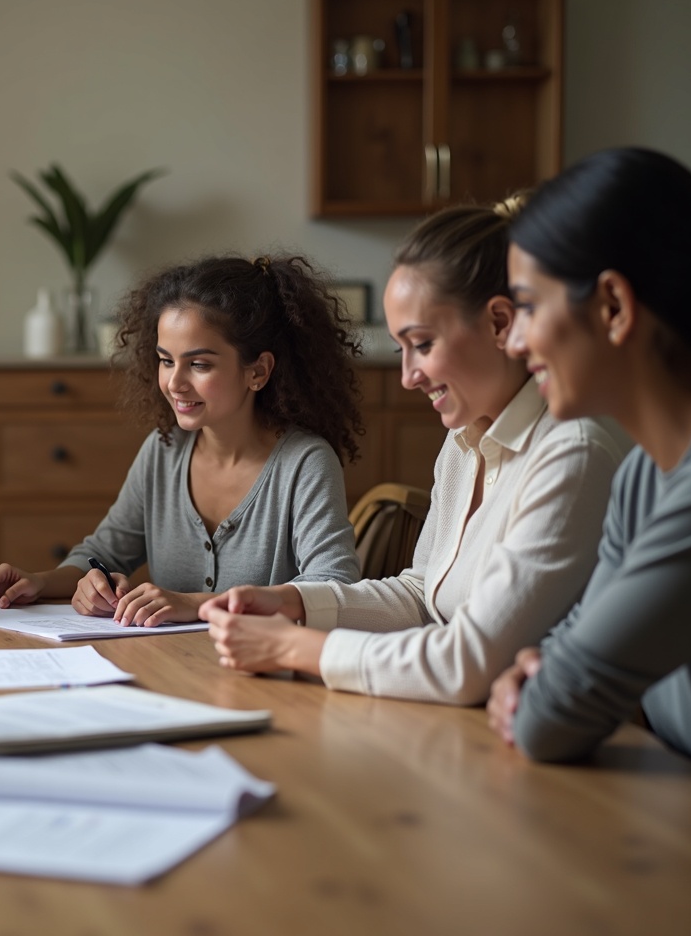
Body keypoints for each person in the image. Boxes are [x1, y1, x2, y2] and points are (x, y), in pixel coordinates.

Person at [200, 202, 630, 705]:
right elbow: (423, 595)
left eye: (422, 344)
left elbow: (470, 664)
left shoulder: (572, 454)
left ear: (499, 323)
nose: (407, 376)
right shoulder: (464, 440)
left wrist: (297, 648)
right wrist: (292, 600)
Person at [487, 148, 691, 787]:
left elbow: (553, 714)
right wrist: (538, 679)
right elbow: (561, 660)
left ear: (612, 305)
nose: (515, 341)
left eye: (527, 306)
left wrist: (542, 687)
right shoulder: (642, 475)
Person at [0, 254, 363, 624]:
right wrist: (46, 582)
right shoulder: (164, 449)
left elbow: (333, 587)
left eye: (199, 364)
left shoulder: (305, 463)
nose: (175, 383)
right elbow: (103, 552)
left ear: (258, 371)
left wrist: (196, 604)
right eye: (166, 360)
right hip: (172, 668)